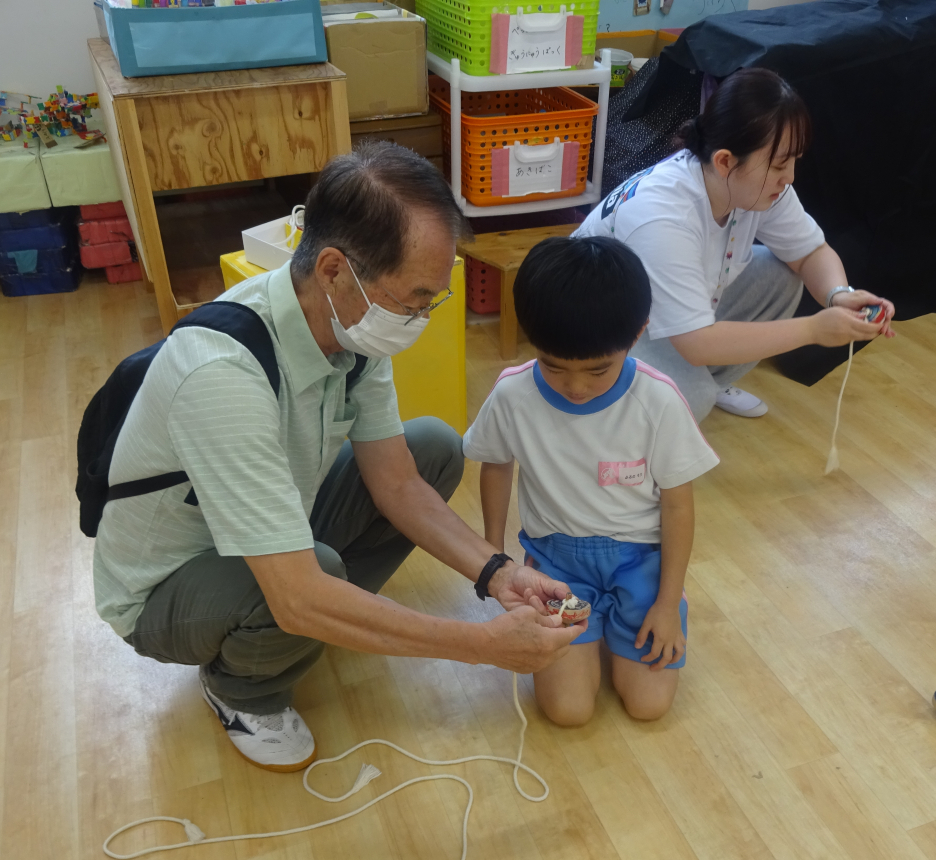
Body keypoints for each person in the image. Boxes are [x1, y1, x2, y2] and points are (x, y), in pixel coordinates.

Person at [92, 142, 585, 773]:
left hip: (270, 525)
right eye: (413, 300)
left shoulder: (348, 328)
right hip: (163, 589)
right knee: (308, 584)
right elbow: (297, 594)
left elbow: (398, 484)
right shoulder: (221, 374)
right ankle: (241, 689)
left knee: (433, 448)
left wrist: (498, 573)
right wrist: (479, 645)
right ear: (333, 269)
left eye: (430, 302)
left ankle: (332, 615)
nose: (419, 319)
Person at [463, 236, 719, 725]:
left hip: (641, 563)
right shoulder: (514, 394)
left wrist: (667, 603)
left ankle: (640, 610)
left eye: (599, 370)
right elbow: (495, 464)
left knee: (648, 705)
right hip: (559, 567)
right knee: (568, 711)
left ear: (638, 333)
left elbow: (678, 505)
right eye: (554, 367)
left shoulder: (658, 401)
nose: (576, 387)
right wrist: (494, 556)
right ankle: (595, 625)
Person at [573, 67, 895, 422]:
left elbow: (810, 252)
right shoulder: (665, 215)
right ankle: (630, 409)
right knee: (688, 399)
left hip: (656, 310)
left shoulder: (749, 185)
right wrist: (814, 329)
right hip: (596, 331)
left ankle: (702, 383)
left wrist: (839, 294)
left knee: (779, 275)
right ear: (725, 161)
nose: (789, 178)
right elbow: (697, 343)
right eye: (779, 165)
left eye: (793, 162)